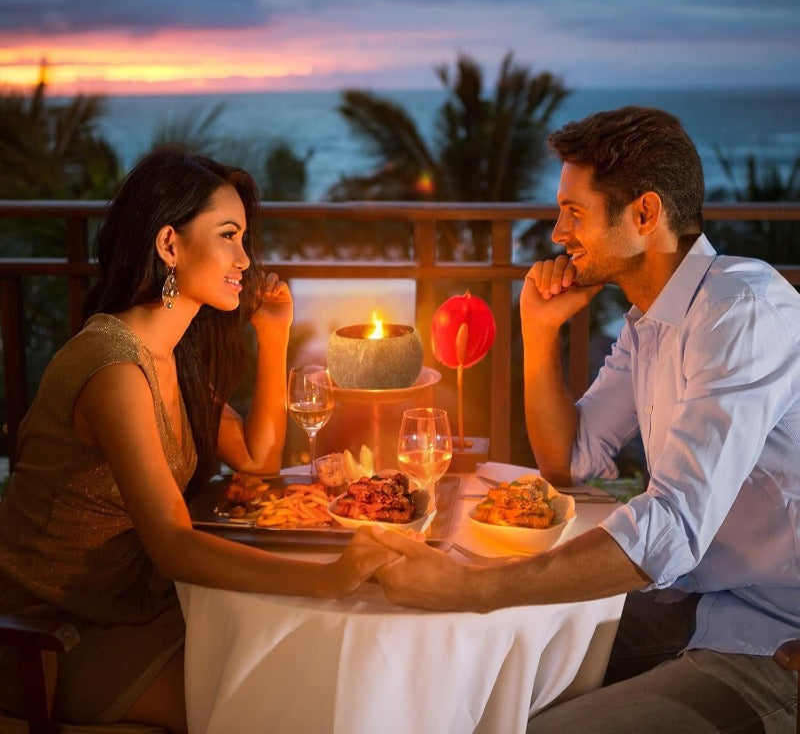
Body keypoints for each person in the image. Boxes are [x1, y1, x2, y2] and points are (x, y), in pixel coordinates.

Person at [370, 107, 800, 732]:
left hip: (775, 636)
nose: (556, 233)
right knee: (476, 670)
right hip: (699, 600)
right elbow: (569, 461)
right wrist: (538, 332)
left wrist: (472, 586)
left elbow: (672, 527)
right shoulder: (651, 322)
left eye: (575, 212)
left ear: (645, 215)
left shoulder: (741, 314)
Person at [0, 148, 394, 733]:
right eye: (229, 236)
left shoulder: (170, 354)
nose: (246, 258)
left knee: (321, 657)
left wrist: (276, 333)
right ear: (169, 246)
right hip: (52, 636)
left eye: (245, 239)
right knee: (288, 703)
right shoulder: (114, 368)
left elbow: (259, 459)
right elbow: (173, 545)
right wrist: (326, 577)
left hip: (142, 608)